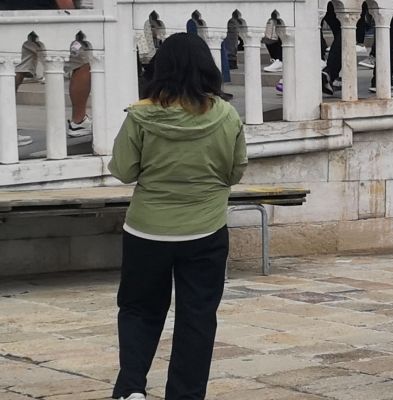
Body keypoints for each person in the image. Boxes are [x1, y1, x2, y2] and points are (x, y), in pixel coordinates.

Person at [107, 33, 248, 400]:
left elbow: (123, 170)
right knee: (197, 317)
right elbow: (235, 172)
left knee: (139, 310)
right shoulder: (227, 115)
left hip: (146, 230)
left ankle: (131, 388)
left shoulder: (139, 114)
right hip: (205, 230)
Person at [6, 0, 93, 147]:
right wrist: (75, 19)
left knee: (12, 69)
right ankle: (79, 121)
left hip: (9, 15)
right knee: (83, 61)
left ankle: (4, 128)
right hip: (45, 18)